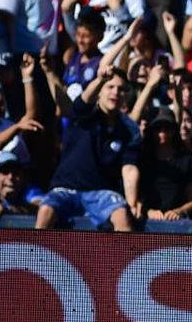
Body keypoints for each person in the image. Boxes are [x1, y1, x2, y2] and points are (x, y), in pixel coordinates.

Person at [35, 67, 141, 231]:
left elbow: (129, 168)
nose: (115, 92)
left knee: (122, 214)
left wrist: (132, 203)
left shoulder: (129, 129)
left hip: (101, 192)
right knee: (45, 210)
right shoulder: (83, 113)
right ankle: (37, 248)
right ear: (99, 91)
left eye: (121, 89)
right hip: (66, 188)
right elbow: (84, 100)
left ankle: (124, 249)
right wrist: (100, 80)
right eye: (110, 87)